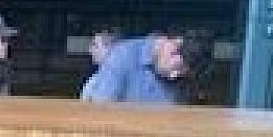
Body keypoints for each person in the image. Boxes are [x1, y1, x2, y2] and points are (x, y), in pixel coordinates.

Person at [80, 31, 210, 105]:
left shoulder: (183, 77)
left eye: (181, 74)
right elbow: (101, 111)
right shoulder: (122, 56)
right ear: (173, 46)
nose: (174, 76)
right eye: (176, 68)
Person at [80, 29, 121, 101]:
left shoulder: (116, 77)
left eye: (95, 45)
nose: (90, 50)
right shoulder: (96, 77)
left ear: (109, 48)